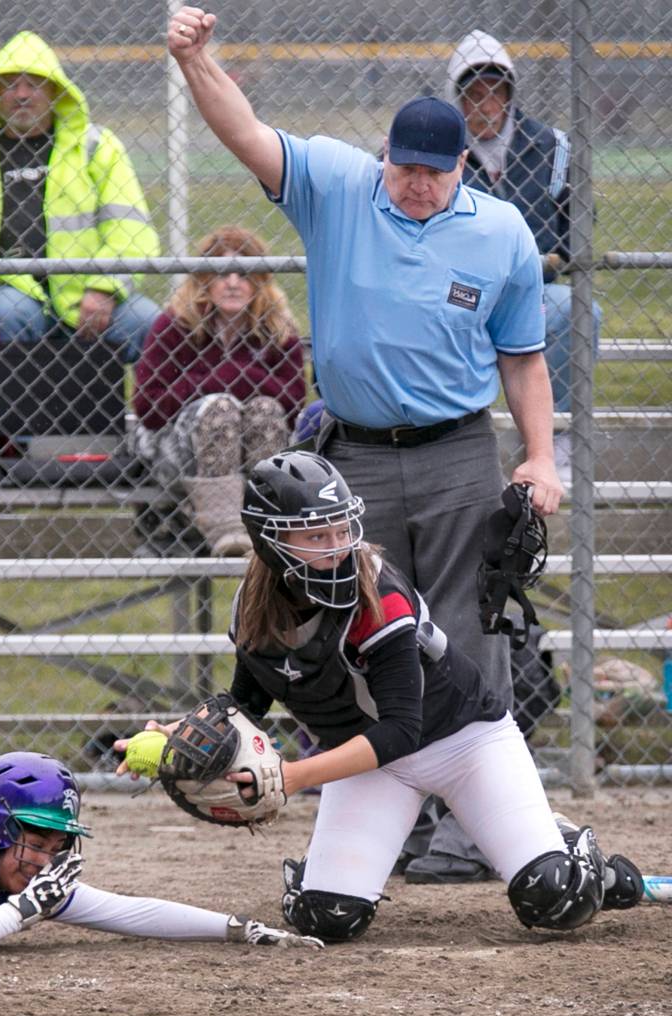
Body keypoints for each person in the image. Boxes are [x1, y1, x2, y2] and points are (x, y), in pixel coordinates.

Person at [167, 7, 562, 884]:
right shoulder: (340, 186)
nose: (415, 184)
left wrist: (539, 456)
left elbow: (524, 359)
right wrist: (197, 60)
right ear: (384, 155)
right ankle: (394, 814)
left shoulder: (500, 233)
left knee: (466, 634)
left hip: (459, 448)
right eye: (403, 166)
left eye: (433, 171)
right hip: (356, 455)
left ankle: (471, 819)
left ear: (465, 163)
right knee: (354, 631)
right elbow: (246, 132)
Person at [118, 451, 643, 943]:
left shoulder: (378, 593)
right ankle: (329, 870)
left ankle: (576, 854)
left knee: (553, 896)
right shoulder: (253, 606)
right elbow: (248, 704)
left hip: (463, 743)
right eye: (316, 536)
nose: (338, 545)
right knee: (325, 918)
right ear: (268, 543)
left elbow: (399, 729)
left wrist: (292, 777)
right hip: (369, 763)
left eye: (342, 529)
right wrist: (182, 738)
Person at [0, 749, 323, 955]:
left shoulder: (18, 879)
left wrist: (236, 928)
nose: (46, 860)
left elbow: (125, 911)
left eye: (58, 845)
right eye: (37, 842)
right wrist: (22, 912)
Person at [0, 31, 161, 363]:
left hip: (86, 288)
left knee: (149, 323)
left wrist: (104, 287)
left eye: (34, 84)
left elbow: (130, 229)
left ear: (55, 90)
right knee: (9, 313)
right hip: (8, 287)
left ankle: (152, 413)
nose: (21, 95)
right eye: (10, 85)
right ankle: (13, 414)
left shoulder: (96, 147)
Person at [446, 29, 603, 480]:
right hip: (460, 291)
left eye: (495, 92)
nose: (485, 105)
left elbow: (576, 235)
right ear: (457, 99)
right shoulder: (441, 149)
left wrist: (545, 263)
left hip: (530, 290)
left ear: (510, 95)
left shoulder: (552, 147)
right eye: (473, 94)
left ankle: (556, 437)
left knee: (578, 311)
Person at [132, 225, 306, 556]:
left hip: (254, 454)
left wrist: (236, 374)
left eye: (244, 273)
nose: (232, 283)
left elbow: (294, 402)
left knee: (266, 410)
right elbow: (149, 408)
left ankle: (265, 524)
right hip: (178, 458)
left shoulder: (276, 329)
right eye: (221, 273)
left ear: (260, 282)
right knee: (220, 407)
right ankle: (226, 531)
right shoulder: (174, 325)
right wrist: (220, 383)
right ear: (204, 280)